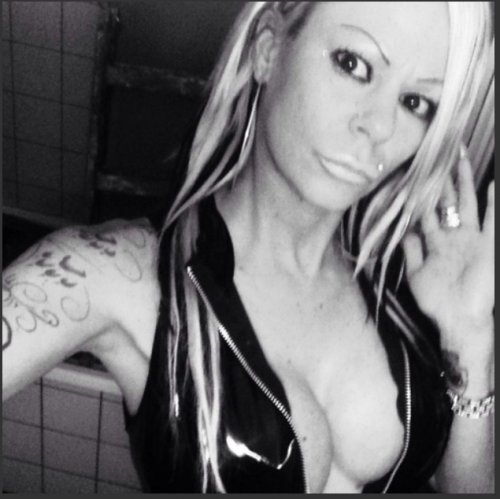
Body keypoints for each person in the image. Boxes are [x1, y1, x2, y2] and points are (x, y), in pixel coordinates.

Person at [2, 1, 494, 493]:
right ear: (268, 48)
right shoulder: (122, 277)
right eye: (353, 64)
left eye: (416, 103)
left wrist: (470, 337)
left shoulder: (408, 281)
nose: (381, 127)